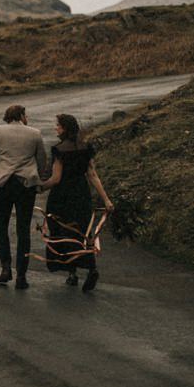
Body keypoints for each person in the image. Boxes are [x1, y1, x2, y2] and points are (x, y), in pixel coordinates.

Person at [0, 104, 48, 289]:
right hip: (25, 186)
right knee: (23, 230)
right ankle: (22, 275)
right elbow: (42, 161)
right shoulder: (35, 133)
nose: (27, 118)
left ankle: (5, 268)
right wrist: (40, 182)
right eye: (26, 115)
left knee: (1, 227)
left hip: (3, 185)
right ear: (21, 115)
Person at [39, 114, 114, 292]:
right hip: (81, 194)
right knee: (82, 231)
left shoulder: (59, 150)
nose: (55, 128)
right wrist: (106, 199)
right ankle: (91, 268)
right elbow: (92, 175)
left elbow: (56, 179)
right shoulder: (85, 147)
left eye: (57, 125)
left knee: (63, 231)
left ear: (64, 128)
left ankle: (71, 273)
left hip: (62, 196)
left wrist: (39, 188)